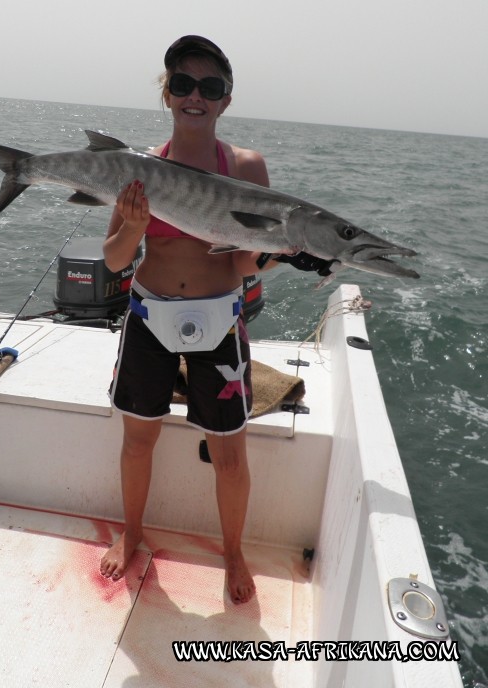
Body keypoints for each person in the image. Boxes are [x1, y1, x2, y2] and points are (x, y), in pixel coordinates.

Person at [99, 35, 305, 604]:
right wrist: (136, 226)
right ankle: (132, 533)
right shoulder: (140, 170)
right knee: (138, 441)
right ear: (167, 93)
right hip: (148, 314)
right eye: (183, 83)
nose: (196, 95)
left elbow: (243, 261)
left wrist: (275, 251)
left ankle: (233, 553)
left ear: (225, 100)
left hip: (220, 317)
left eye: (209, 87)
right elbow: (114, 259)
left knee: (229, 452)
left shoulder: (245, 167)